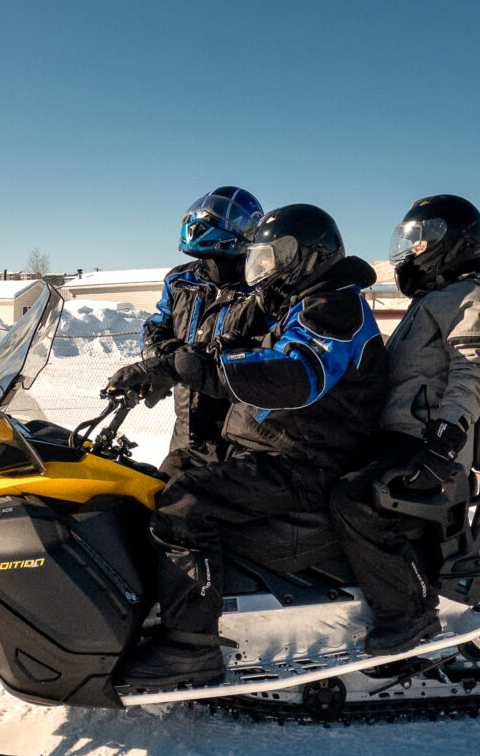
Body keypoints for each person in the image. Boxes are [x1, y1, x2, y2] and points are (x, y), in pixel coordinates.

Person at [110, 204, 388, 686]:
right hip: (277, 445)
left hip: (307, 460)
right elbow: (243, 350)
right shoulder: (302, 300)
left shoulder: (333, 305)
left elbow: (292, 372)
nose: (262, 269)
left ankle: (190, 647)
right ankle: (154, 607)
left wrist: (188, 367)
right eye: (259, 257)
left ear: (304, 255)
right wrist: (171, 364)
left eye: (272, 256)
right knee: (154, 481)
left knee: (184, 507)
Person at [330, 195, 480, 656]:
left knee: (355, 498)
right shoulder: (438, 297)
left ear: (453, 241)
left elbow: (477, 367)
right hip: (400, 434)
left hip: (424, 443)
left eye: (421, 239)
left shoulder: (478, 296)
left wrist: (444, 439)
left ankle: (409, 613)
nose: (411, 249)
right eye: (410, 240)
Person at [128, 186, 267, 478]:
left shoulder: (263, 288)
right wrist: (159, 362)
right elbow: (157, 325)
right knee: (165, 491)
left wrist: (187, 362)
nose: (199, 224)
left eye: (218, 218)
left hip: (239, 427)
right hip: (186, 421)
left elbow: (263, 345)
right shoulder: (180, 279)